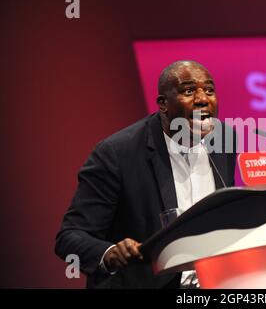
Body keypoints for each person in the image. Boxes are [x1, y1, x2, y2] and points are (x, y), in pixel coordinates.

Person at [55, 60, 237, 288]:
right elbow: (70, 237)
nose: (202, 99)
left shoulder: (224, 140)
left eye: (209, 90)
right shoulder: (117, 153)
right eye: (189, 91)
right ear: (163, 104)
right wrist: (110, 253)